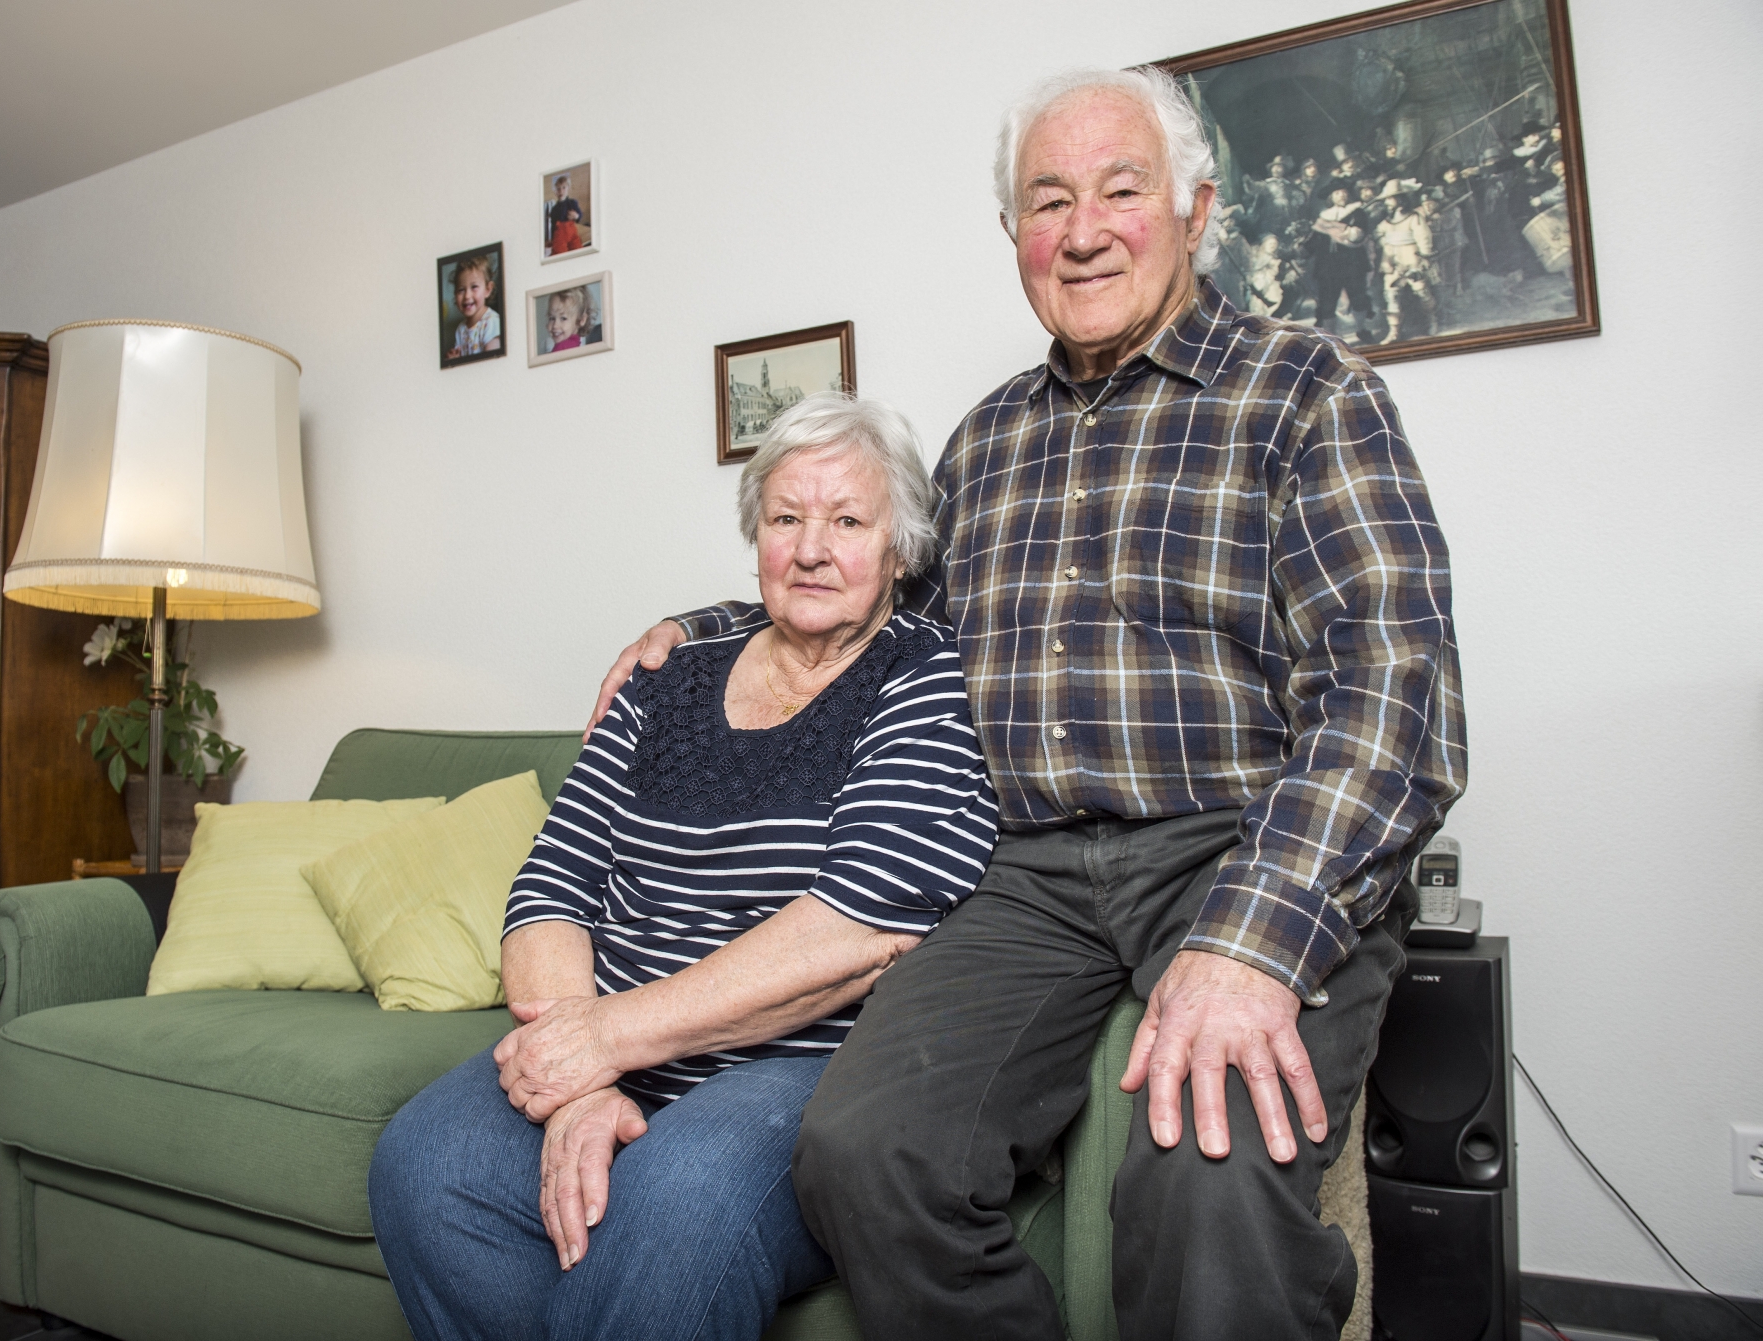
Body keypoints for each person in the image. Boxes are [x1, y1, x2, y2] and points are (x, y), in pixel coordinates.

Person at [590, 63, 1464, 1341]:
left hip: (1236, 841)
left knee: (1202, 1170)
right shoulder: (985, 441)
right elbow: (881, 617)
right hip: (1021, 871)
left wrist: (1248, 945)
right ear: (1016, 239)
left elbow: (1392, 692)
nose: (1084, 227)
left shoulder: (1305, 394)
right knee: (864, 1148)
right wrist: (711, 626)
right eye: (1047, 202)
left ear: (1193, 208)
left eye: (1120, 189)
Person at [368, 393, 1000, 1341]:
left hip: (798, 1070)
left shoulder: (924, 680)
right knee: (425, 1161)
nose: (812, 547)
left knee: (676, 1197)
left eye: (848, 520)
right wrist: (583, 1083)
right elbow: (551, 887)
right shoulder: (666, 676)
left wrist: (607, 1041)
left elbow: (854, 932)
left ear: (901, 550)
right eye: (786, 518)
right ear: (756, 537)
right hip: (607, 1049)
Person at [1309, 182, 1375, 340]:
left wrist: (1345, 231)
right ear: (1331, 197)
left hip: (1352, 263)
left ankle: (1361, 329)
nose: (1342, 195)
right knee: (1328, 301)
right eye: (1338, 193)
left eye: (1344, 192)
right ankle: (1331, 336)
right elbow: (1314, 241)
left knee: (1358, 296)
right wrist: (1298, 251)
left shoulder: (1357, 212)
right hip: (1328, 266)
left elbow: (1359, 235)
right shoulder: (1323, 218)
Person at [1374, 180, 1439, 342]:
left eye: (1391, 199)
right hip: (1392, 259)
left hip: (1412, 256)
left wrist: (1424, 256)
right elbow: (1378, 234)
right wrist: (1385, 243)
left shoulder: (1414, 218)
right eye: (1386, 199)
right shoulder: (1387, 221)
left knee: (1421, 290)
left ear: (1400, 199)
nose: (1387, 202)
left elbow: (1424, 237)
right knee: (1391, 294)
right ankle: (1394, 331)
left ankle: (1432, 320)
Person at [448, 252, 502, 358]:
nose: (467, 296)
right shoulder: (461, 329)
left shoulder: (492, 322)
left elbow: (492, 362)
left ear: (488, 289)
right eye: (461, 290)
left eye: (474, 287)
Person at [546, 173, 585, 257]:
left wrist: (577, 216)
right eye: (558, 189)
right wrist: (553, 239)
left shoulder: (572, 203)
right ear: (555, 192)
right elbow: (553, 226)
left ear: (568, 189)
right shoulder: (554, 209)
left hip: (572, 232)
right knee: (559, 252)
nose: (561, 191)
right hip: (560, 235)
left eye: (564, 188)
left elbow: (580, 214)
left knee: (578, 249)